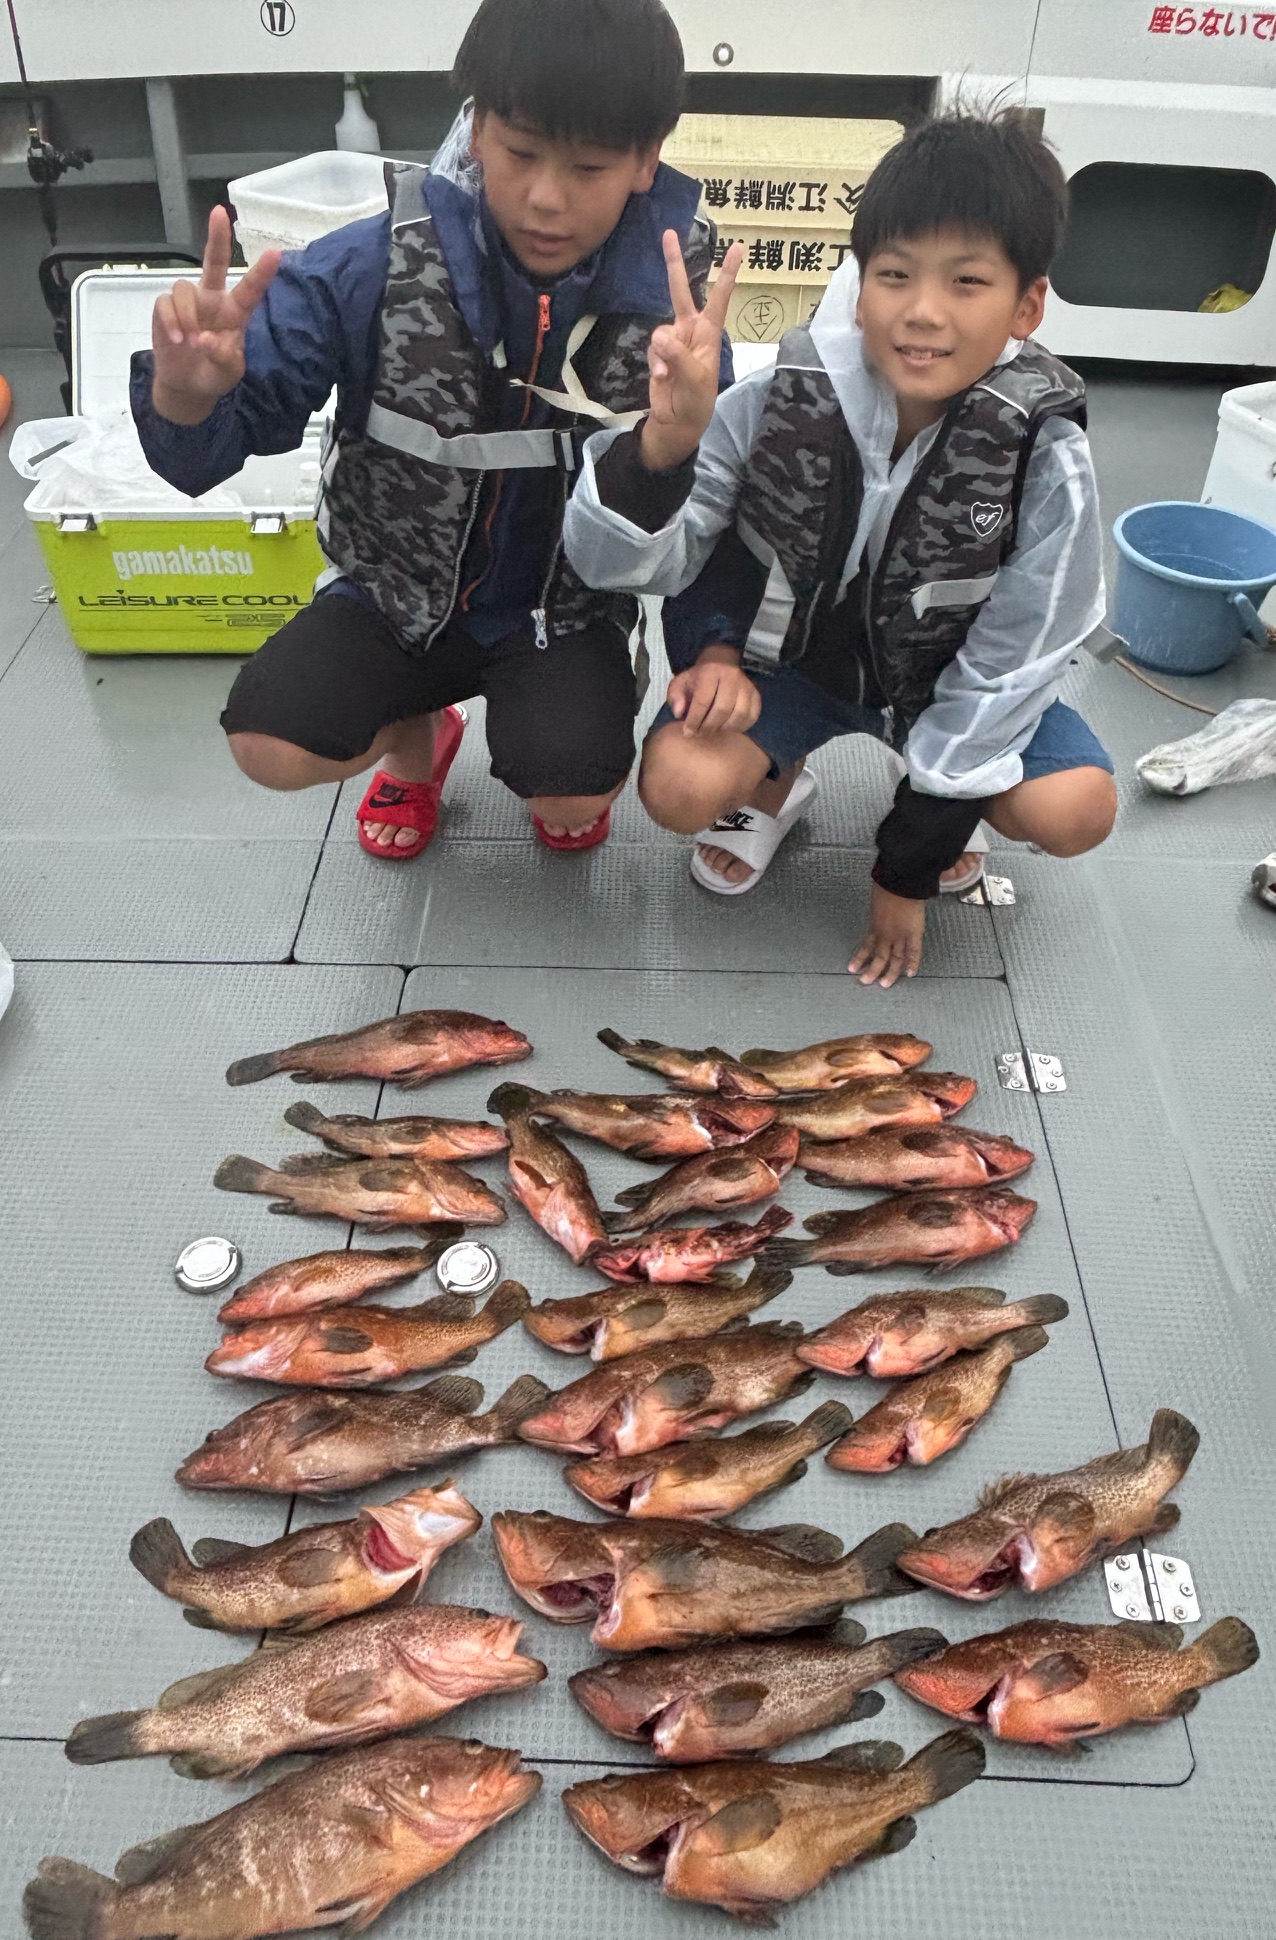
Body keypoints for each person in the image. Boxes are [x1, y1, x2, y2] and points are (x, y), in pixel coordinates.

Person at [130, 0, 735, 860]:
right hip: (389, 598)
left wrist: (670, 448)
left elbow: (699, 531)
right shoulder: (371, 261)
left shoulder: (681, 319)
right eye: (520, 152)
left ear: (647, 160)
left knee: (574, 784)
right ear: (477, 129)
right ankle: (418, 744)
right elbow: (209, 444)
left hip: (560, 613)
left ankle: (550, 738)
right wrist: (187, 396)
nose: (546, 198)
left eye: (589, 167)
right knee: (267, 740)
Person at [563, 109, 1118, 984]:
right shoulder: (774, 399)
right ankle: (776, 784)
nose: (923, 311)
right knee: (676, 785)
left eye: (967, 282)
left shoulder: (1046, 458)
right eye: (895, 274)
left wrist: (908, 863)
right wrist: (664, 446)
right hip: (790, 673)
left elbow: (1011, 667)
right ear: (860, 289)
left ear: (1027, 305)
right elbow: (637, 561)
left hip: (942, 689)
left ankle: (949, 807)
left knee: (1077, 806)